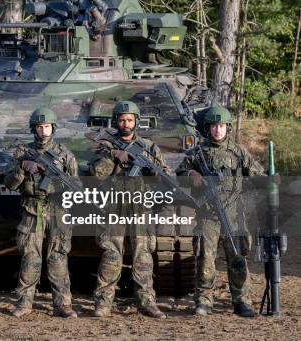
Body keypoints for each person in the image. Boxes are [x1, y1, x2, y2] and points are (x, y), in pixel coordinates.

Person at [177, 105, 265, 317]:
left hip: (234, 215)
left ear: (228, 127)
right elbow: (179, 171)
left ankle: (241, 300)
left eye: (222, 126)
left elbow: (256, 174)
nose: (218, 130)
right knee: (205, 258)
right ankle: (204, 300)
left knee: (237, 257)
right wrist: (191, 174)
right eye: (214, 126)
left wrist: (268, 180)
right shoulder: (198, 152)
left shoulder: (238, 151)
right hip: (207, 215)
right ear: (208, 128)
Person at [89, 100, 167, 319]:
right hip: (114, 206)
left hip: (140, 207)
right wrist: (114, 156)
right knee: (111, 254)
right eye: (122, 119)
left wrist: (155, 174)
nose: (126, 123)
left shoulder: (149, 147)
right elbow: (97, 174)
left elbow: (163, 174)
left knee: (143, 256)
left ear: (136, 121)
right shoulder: (106, 144)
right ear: (116, 121)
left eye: (130, 119)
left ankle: (147, 302)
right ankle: (103, 302)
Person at [4, 107, 78, 318]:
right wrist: (23, 168)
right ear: (33, 129)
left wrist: (56, 177)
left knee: (58, 257)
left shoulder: (64, 154)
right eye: (39, 127)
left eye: (46, 127)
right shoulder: (22, 153)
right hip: (31, 210)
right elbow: (9, 183)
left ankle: (63, 304)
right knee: (30, 257)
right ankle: (24, 303)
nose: (43, 131)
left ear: (52, 128)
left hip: (57, 210)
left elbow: (77, 185)